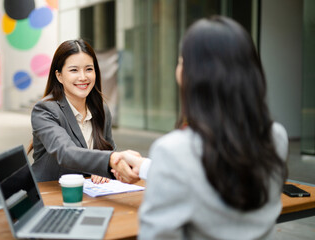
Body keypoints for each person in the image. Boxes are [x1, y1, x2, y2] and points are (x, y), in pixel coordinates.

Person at [114, 15, 289, 239]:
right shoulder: (276, 136)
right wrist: (147, 167)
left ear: (188, 73)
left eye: (180, 61)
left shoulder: (173, 151)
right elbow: (215, 169)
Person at [28, 39, 140, 184]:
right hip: (48, 194)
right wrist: (109, 161)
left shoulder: (102, 110)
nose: (83, 77)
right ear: (59, 76)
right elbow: (65, 152)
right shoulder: (45, 110)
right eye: (74, 70)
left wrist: (107, 171)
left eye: (89, 69)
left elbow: (108, 153)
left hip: (89, 194)